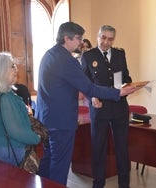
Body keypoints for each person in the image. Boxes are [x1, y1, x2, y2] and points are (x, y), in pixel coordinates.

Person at [35, 22, 139, 186]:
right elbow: (89, 87)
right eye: (78, 38)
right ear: (66, 38)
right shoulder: (68, 60)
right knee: (59, 166)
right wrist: (118, 93)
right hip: (61, 122)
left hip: (47, 118)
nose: (81, 42)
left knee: (48, 162)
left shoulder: (50, 54)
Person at [81, 25, 132, 188]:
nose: (106, 42)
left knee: (122, 149)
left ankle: (124, 184)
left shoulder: (119, 54)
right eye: (103, 37)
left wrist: (130, 85)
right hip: (99, 108)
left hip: (119, 108)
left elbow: (126, 76)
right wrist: (92, 96)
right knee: (98, 149)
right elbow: (84, 82)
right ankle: (98, 184)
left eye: (110, 39)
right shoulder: (88, 56)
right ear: (97, 36)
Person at [0, 52, 41, 166]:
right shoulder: (5, 97)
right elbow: (17, 131)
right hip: (6, 149)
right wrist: (37, 138)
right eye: (12, 66)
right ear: (0, 71)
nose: (16, 69)